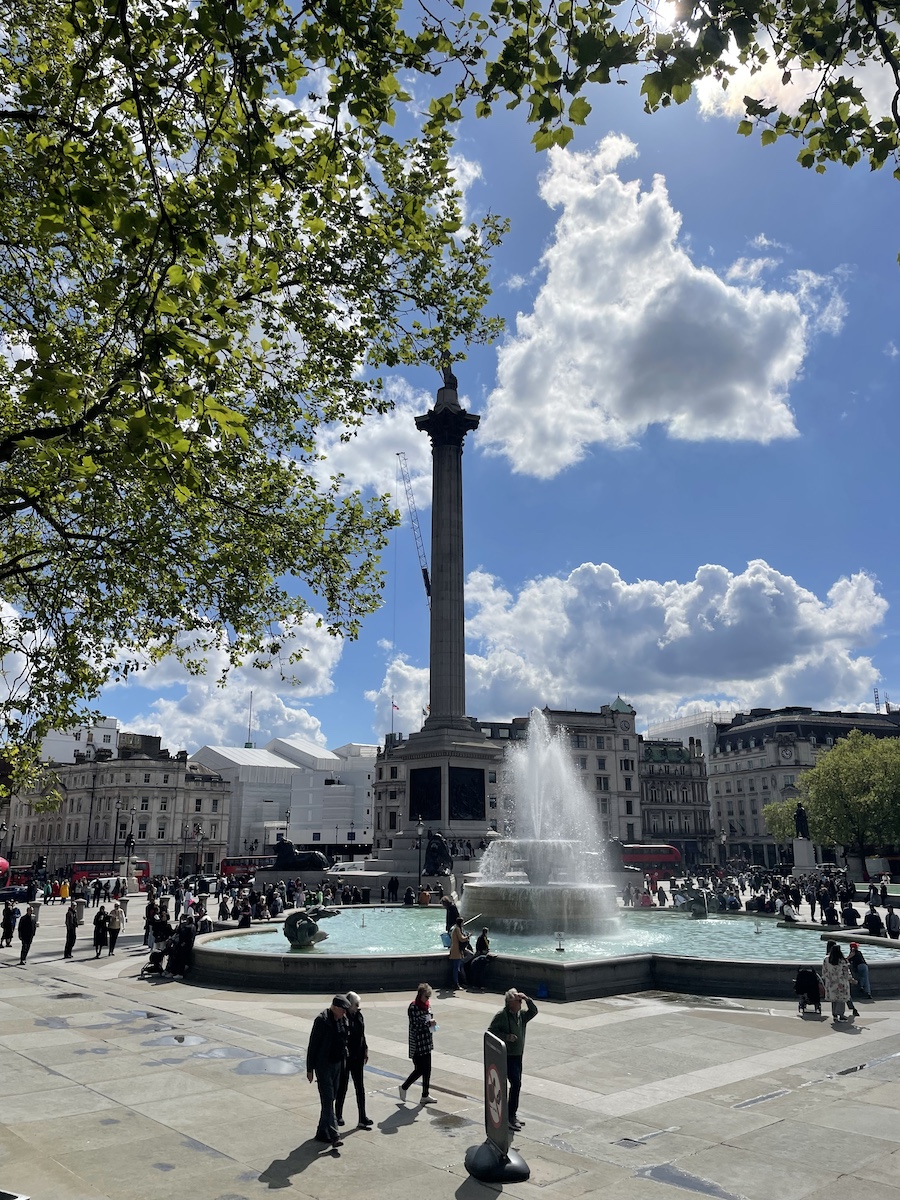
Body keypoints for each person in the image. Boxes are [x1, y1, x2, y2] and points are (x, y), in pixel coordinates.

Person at [488, 989, 539, 1131]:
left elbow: (534, 1011)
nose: (520, 1002)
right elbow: (490, 1032)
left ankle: (512, 1114)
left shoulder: (521, 1016)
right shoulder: (502, 1016)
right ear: (510, 1003)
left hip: (518, 1055)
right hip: (507, 1056)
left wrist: (527, 998)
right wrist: (506, 1037)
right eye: (518, 1001)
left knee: (517, 1084)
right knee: (515, 1084)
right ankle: (510, 1116)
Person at [306, 994, 350, 1147]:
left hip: (337, 1063)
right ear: (335, 1008)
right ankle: (334, 1135)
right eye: (343, 1010)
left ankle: (321, 1132)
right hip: (323, 1065)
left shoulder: (343, 1020)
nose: (345, 1013)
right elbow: (313, 1045)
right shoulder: (322, 1021)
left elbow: (345, 1039)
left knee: (330, 1098)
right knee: (328, 1097)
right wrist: (309, 1069)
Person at [335, 991, 372, 1130]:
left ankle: (362, 1117)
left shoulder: (359, 1016)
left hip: (358, 1056)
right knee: (342, 1087)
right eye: (356, 1005)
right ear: (349, 1004)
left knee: (360, 1088)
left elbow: (362, 1034)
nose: (358, 1007)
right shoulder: (343, 1018)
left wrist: (366, 1049)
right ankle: (337, 1115)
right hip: (347, 1057)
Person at [400, 982, 436, 1105]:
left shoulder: (427, 1006)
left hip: (427, 1041)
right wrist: (427, 1023)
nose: (428, 999)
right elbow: (415, 1025)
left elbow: (429, 1018)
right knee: (420, 1069)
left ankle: (425, 1095)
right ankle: (404, 1087)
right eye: (426, 996)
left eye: (429, 997)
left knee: (428, 1070)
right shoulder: (413, 1007)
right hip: (418, 1043)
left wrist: (433, 1023)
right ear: (420, 995)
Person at [821, 943, 852, 1022]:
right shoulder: (842, 960)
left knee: (833, 999)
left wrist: (827, 979)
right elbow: (846, 972)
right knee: (841, 1000)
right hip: (841, 983)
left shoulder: (826, 959)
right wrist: (851, 979)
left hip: (830, 983)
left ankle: (834, 1015)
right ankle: (841, 1015)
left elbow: (824, 971)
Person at [449, 917, 472, 989]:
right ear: (460, 923)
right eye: (462, 922)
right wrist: (468, 936)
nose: (463, 923)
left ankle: (456, 983)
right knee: (456, 968)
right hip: (456, 951)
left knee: (456, 967)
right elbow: (461, 939)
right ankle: (456, 983)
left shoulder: (456, 928)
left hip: (456, 950)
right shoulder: (457, 929)